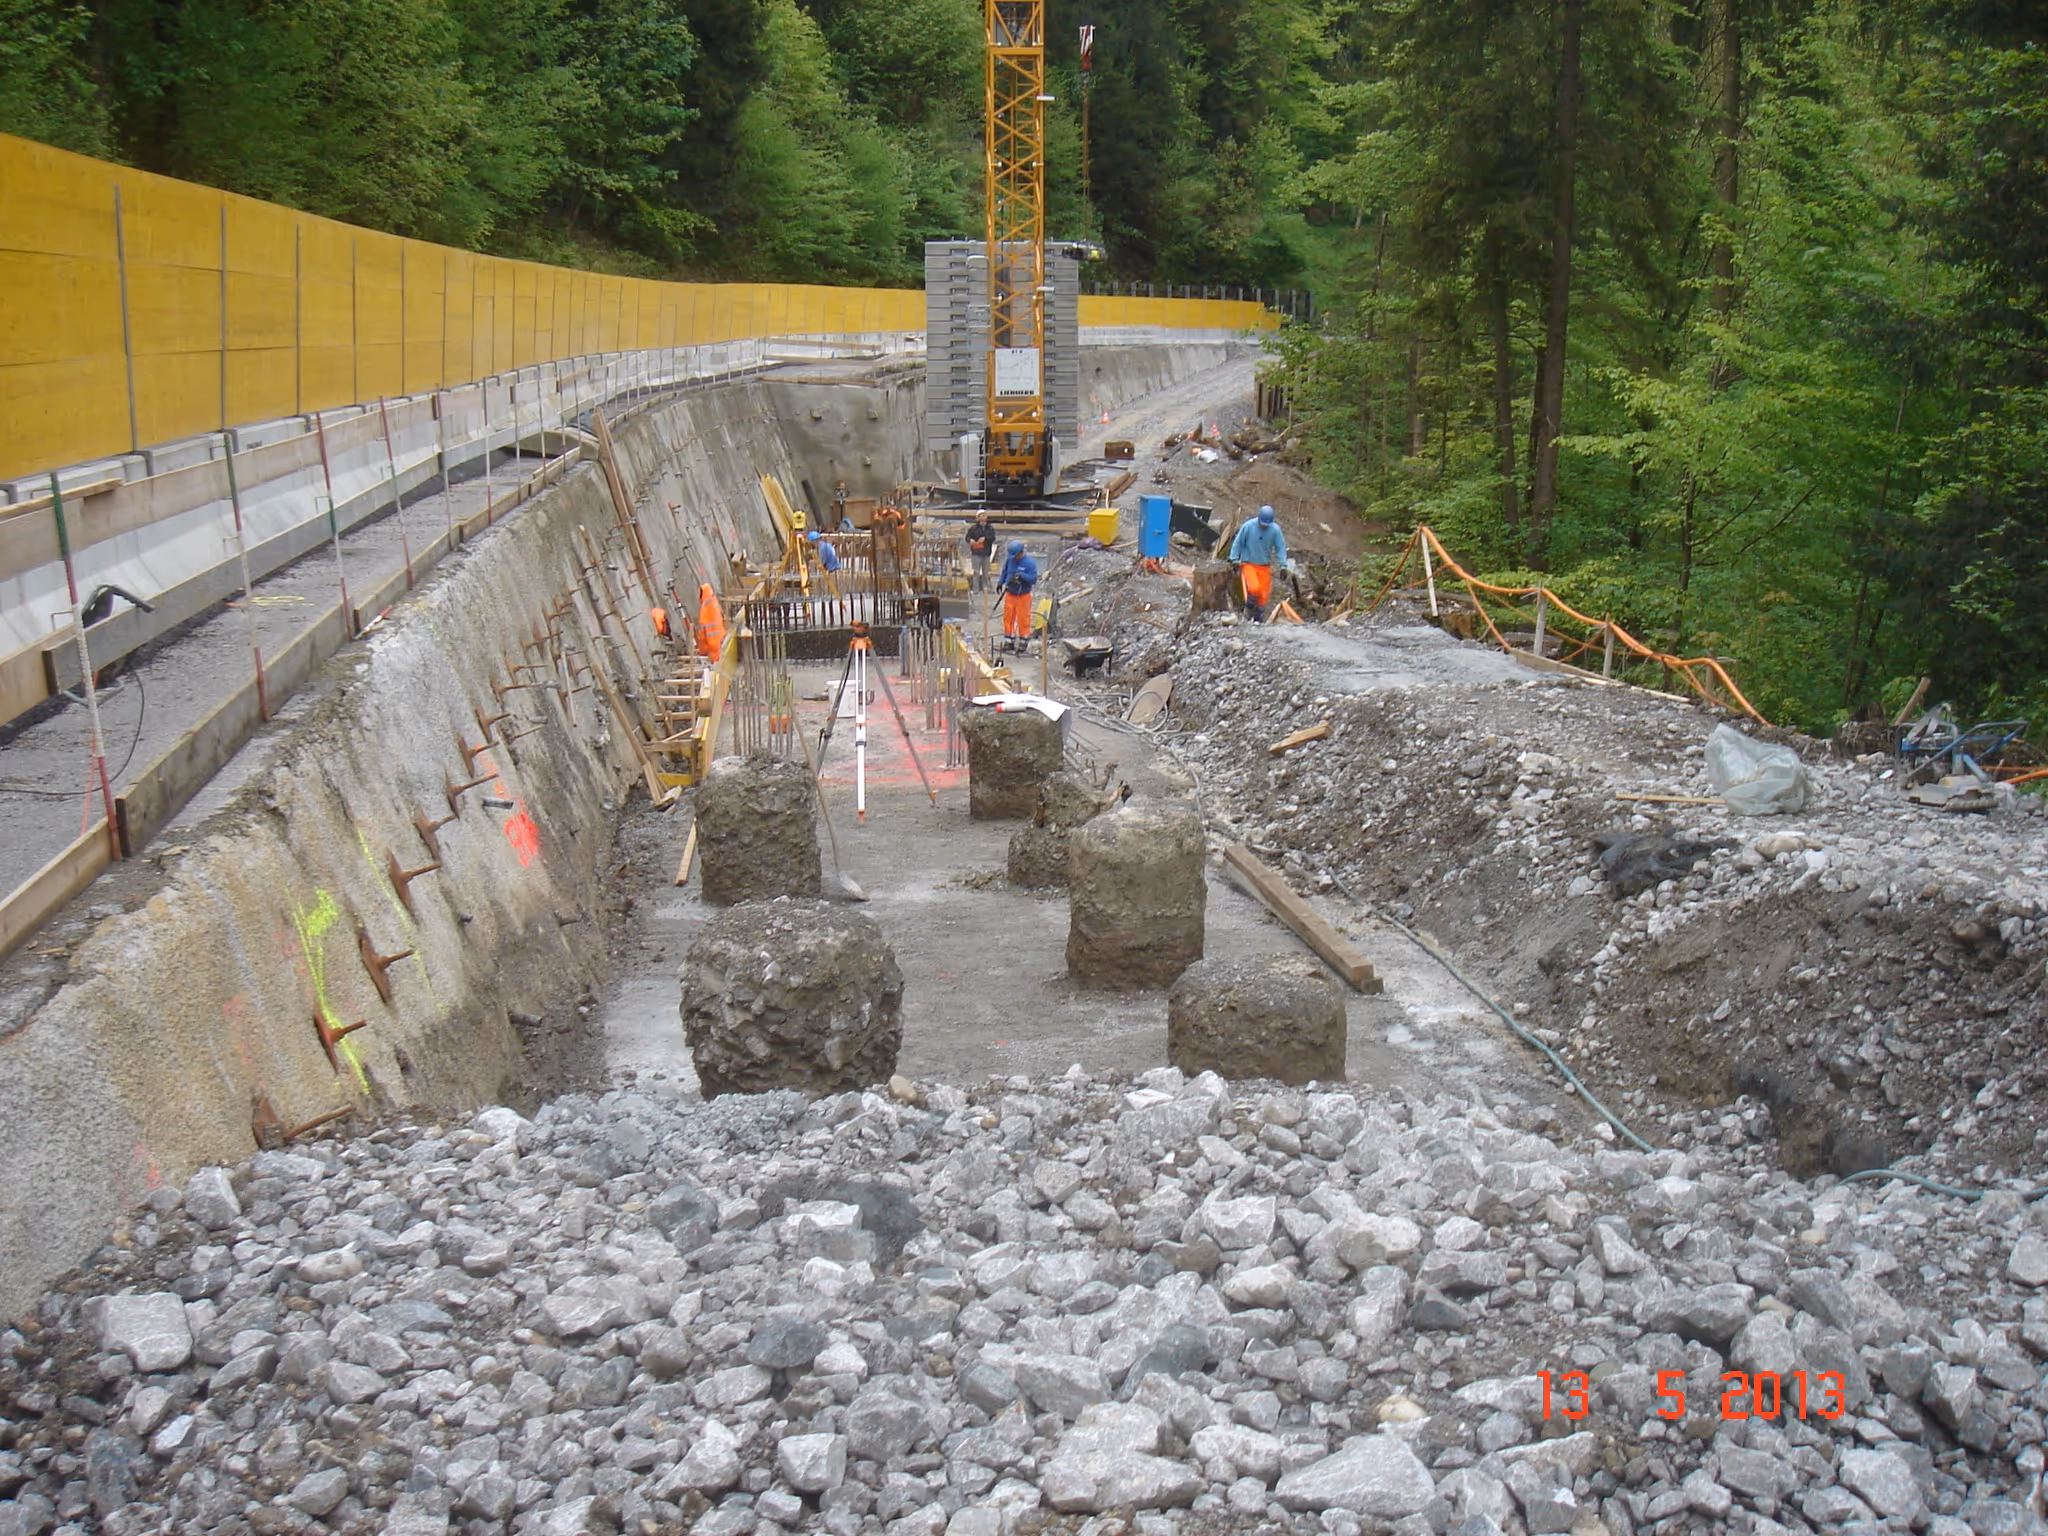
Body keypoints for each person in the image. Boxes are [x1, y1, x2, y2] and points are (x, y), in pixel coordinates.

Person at [1228, 504, 1290, 623]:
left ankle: (1258, 620)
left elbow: (1280, 548)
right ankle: (1247, 613)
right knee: (1254, 588)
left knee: (1263, 596)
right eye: (1263, 524)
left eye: (1267, 525)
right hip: (1249, 564)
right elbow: (1238, 542)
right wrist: (1234, 559)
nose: (1264, 527)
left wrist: (1283, 566)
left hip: (1264, 566)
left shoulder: (1275, 530)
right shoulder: (1248, 526)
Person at [997, 539, 1038, 654]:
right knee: (1008, 617)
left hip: (1023, 595)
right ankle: (1009, 640)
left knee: (1023, 618)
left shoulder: (1029, 563)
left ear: (1021, 553)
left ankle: (1023, 640)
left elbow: (1033, 579)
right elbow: (1005, 572)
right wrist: (1001, 582)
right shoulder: (1009, 561)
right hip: (1010, 593)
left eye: (1015, 556)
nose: (1013, 558)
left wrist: (1022, 576)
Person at [964, 513, 997, 592]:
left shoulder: (990, 528)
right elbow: (967, 537)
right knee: (976, 572)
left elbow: (992, 538)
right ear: (977, 518)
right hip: (976, 552)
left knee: (986, 572)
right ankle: (976, 589)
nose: (982, 517)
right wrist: (970, 540)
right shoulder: (973, 528)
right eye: (980, 516)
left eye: (984, 515)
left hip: (986, 553)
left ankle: (985, 588)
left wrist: (985, 539)